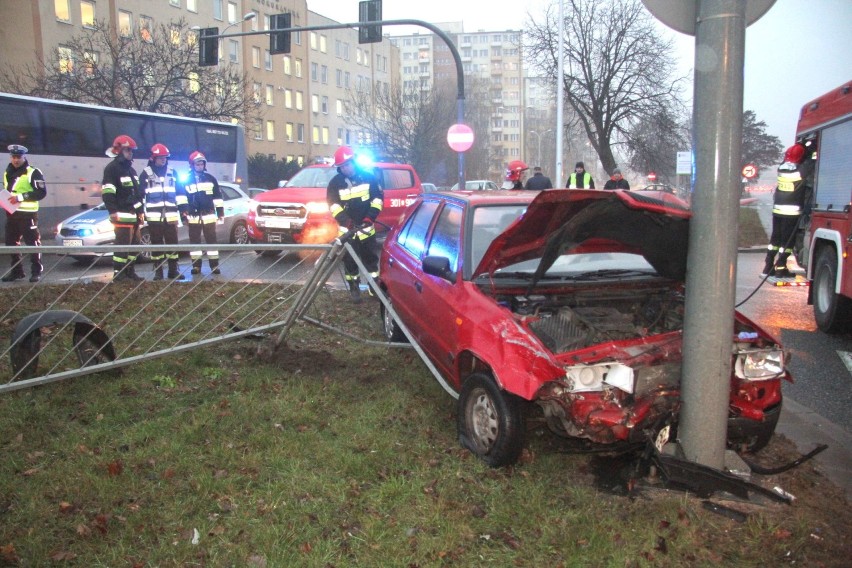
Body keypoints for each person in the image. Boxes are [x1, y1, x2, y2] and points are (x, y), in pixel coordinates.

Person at [327, 145, 383, 303]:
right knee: (350, 262)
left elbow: (377, 199)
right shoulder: (335, 183)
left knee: (370, 260)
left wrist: (369, 218)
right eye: (342, 166)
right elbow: (333, 205)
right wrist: (346, 221)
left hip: (366, 229)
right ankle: (354, 287)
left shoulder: (369, 178)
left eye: (348, 165)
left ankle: (374, 288)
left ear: (354, 162)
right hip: (347, 231)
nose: (346, 168)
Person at [763, 143, 814, 278]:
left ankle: (768, 265)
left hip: (778, 211)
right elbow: (810, 164)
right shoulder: (799, 171)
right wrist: (811, 154)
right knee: (787, 242)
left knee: (775, 240)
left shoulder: (782, 168)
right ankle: (780, 268)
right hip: (791, 213)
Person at [102, 135, 144, 282]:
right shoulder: (112, 169)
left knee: (134, 246)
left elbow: (137, 194)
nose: (130, 153)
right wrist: (112, 211)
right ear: (118, 150)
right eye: (127, 150)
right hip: (121, 216)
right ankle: (119, 274)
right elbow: (108, 192)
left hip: (134, 217)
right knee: (122, 247)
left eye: (131, 150)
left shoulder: (131, 171)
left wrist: (140, 212)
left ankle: (130, 271)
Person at [139, 143, 183, 280]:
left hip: (170, 216)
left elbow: (180, 193)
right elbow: (140, 195)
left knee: (173, 244)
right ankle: (158, 272)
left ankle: (173, 270)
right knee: (157, 244)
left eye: (165, 157)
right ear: (153, 158)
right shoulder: (146, 173)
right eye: (160, 157)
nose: (163, 160)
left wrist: (184, 210)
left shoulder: (172, 172)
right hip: (154, 217)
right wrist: (140, 211)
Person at [2, 144, 46, 282]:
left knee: (32, 243)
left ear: (24, 157)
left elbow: (41, 192)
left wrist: (20, 197)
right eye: (14, 157)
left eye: (19, 157)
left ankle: (36, 271)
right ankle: (17, 271)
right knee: (11, 243)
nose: (16, 160)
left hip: (28, 215)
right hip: (12, 213)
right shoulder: (7, 172)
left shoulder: (33, 172)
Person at [178, 151, 224, 276]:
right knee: (194, 242)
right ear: (192, 165)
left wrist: (220, 213)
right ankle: (196, 266)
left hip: (208, 215)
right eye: (197, 164)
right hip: (193, 216)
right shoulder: (185, 180)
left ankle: (214, 266)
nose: (200, 166)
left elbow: (218, 197)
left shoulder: (210, 179)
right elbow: (181, 199)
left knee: (212, 241)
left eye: (201, 164)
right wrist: (183, 215)